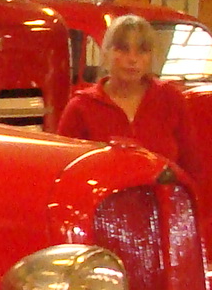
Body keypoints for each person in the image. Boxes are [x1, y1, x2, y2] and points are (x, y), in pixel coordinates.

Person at [56, 12, 200, 171]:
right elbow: (64, 170)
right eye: (123, 49)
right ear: (105, 54)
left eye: (142, 50)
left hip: (162, 195)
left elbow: (192, 167)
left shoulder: (171, 99)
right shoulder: (81, 107)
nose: (133, 59)